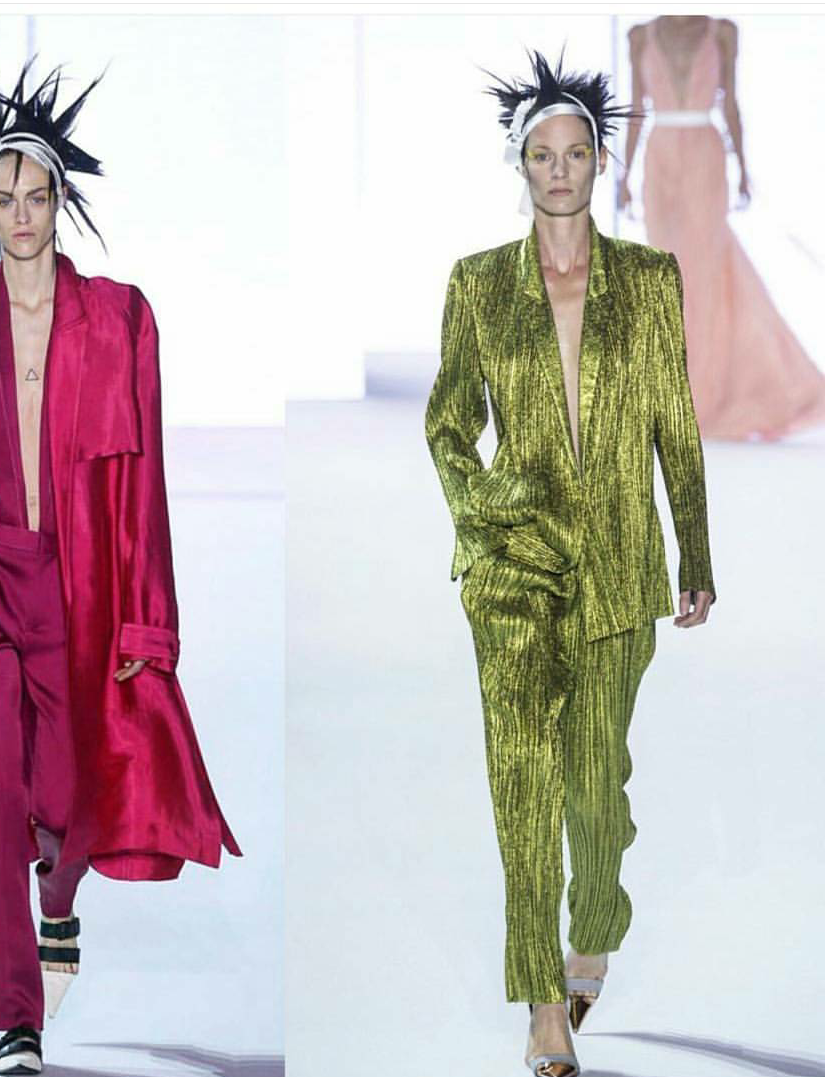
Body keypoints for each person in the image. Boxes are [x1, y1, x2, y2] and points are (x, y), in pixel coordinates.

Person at [0, 49, 240, 1075]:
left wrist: (148, 623)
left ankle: (60, 899)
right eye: (4, 196)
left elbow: (145, 478)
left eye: (36, 196)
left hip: (78, 585)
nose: (21, 214)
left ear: (61, 200)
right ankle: (15, 1017)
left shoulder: (120, 318)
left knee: (69, 799)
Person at [425, 51, 715, 1077]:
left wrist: (695, 549)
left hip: (621, 567)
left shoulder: (649, 279)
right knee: (522, 783)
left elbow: (676, 420)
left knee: (595, 792)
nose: (559, 170)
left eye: (576, 153)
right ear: (521, 164)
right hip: (513, 568)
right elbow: (448, 425)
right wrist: (483, 513)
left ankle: (597, 916)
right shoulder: (477, 286)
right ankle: (544, 1004)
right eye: (542, 154)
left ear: (600, 161)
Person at [618, 14, 825, 439]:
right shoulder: (640, 35)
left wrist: (743, 168)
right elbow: (636, 109)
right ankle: (670, 394)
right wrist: (625, 176)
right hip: (660, 160)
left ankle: (705, 395)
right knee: (664, 271)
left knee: (705, 270)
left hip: (704, 157)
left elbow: (730, 102)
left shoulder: (722, 32)